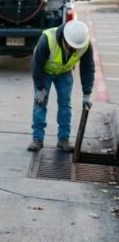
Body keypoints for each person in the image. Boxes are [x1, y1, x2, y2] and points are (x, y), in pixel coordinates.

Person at [28, 20, 95, 152]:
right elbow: (36, 66)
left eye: (76, 47)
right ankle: (37, 139)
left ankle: (63, 140)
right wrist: (40, 88)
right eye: (71, 46)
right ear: (65, 38)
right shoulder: (47, 39)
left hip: (64, 73)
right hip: (44, 72)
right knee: (40, 104)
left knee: (65, 105)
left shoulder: (84, 44)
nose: (74, 49)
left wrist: (87, 93)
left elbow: (88, 68)